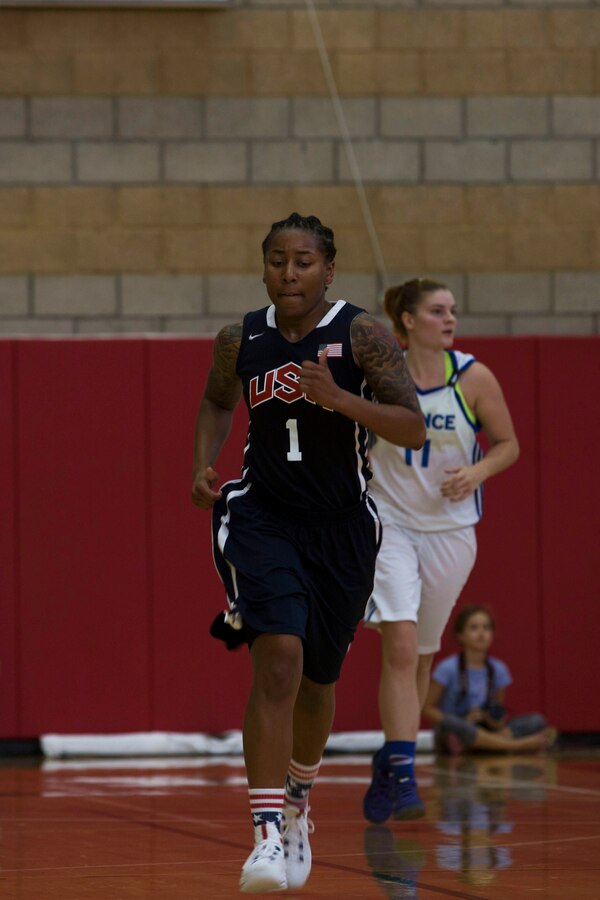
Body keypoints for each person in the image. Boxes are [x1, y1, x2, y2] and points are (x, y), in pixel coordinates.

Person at [191, 213, 426, 894]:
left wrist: (341, 399)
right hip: (264, 516)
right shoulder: (241, 337)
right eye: (276, 261)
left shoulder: (363, 335)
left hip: (344, 529)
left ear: (329, 269)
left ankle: (297, 804)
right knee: (279, 658)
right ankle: (265, 836)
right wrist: (203, 465)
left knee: (319, 682)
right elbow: (215, 400)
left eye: (302, 262)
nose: (289, 273)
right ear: (262, 267)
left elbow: (412, 427)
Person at [362, 278, 520, 824]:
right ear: (407, 320)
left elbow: (508, 444)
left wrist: (477, 470)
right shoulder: (382, 376)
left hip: (451, 532)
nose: (450, 319)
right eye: (437, 311)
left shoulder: (473, 376)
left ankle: (390, 759)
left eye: (452, 310)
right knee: (401, 645)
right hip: (391, 523)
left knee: (424, 655)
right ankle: (404, 771)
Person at [423, 604, 554, 754]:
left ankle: (482, 744)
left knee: (537, 721)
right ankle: (515, 745)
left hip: (483, 729)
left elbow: (497, 709)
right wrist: (464, 720)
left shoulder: (499, 670)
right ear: (460, 635)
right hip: (458, 728)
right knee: (453, 725)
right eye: (474, 628)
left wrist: (494, 720)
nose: (481, 633)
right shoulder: (447, 668)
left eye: (486, 627)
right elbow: (427, 709)